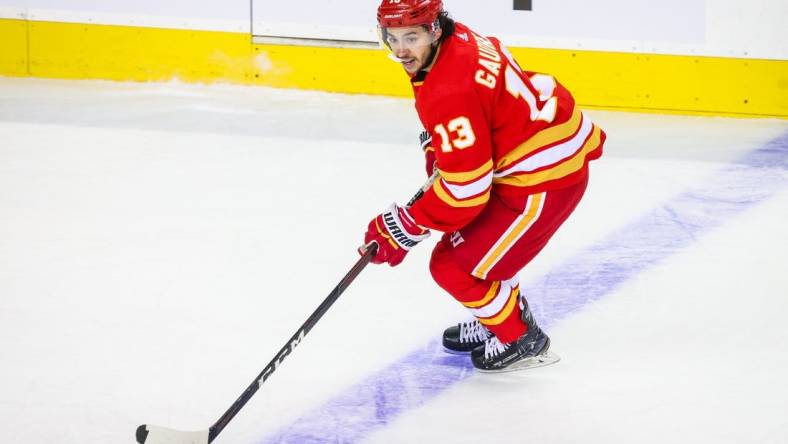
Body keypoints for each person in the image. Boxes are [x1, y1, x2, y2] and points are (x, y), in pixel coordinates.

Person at [361, 0, 605, 372]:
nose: (400, 50)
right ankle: (497, 314)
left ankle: (520, 337)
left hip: (543, 182)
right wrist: (442, 150)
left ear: (434, 29)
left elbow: (465, 192)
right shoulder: (459, 40)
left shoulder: (449, 89)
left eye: (411, 36)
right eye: (391, 38)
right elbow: (476, 121)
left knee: (453, 267)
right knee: (480, 248)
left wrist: (403, 228)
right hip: (538, 154)